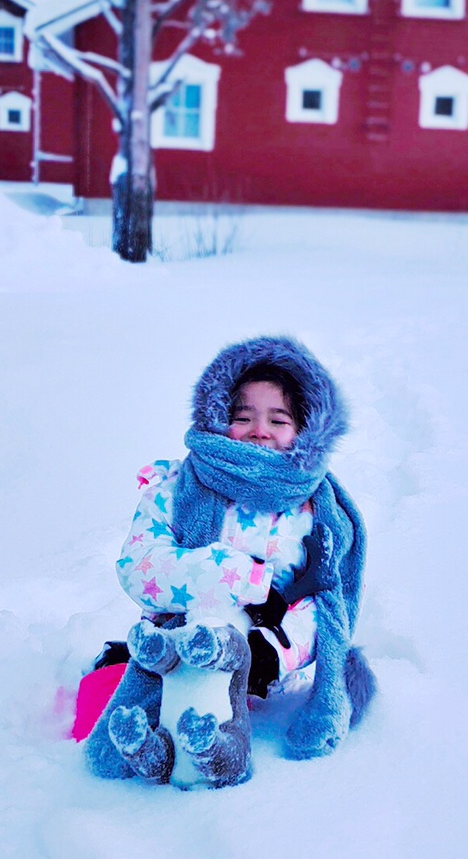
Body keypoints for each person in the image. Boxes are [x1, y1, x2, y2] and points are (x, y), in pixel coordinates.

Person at [85, 336, 375, 786]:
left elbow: (327, 606)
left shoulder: (316, 512)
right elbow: (140, 568)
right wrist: (245, 578)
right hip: (183, 631)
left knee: (222, 652)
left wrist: (273, 651)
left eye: (278, 419)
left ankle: (217, 751)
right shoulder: (178, 488)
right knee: (202, 634)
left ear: (306, 431)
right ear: (219, 422)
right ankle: (160, 749)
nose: (260, 429)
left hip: (262, 651)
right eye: (243, 417)